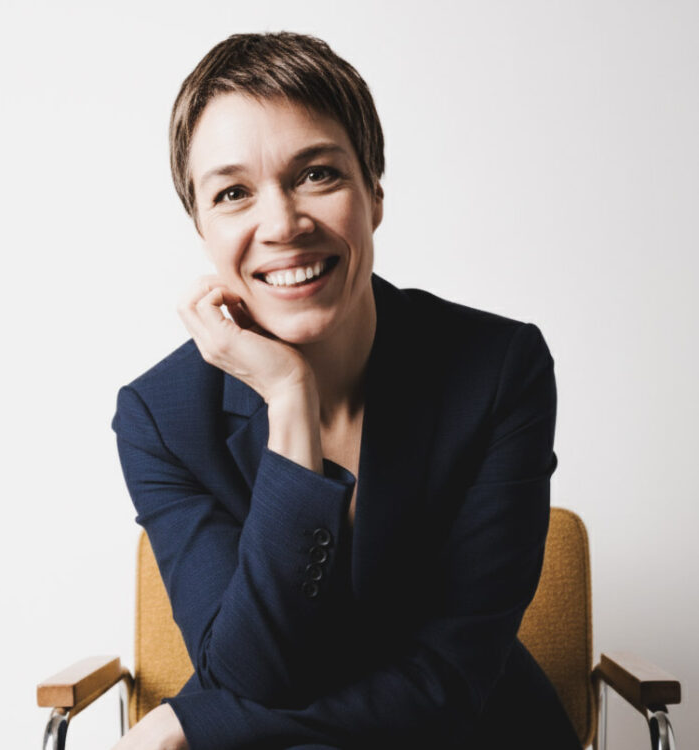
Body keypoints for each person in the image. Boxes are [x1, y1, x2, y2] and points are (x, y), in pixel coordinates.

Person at [110, 31, 582, 750]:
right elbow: (252, 674)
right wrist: (290, 401)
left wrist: (192, 720)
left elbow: (450, 683)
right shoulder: (162, 419)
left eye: (316, 175)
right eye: (233, 193)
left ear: (374, 193)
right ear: (201, 228)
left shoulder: (498, 370)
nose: (282, 224)